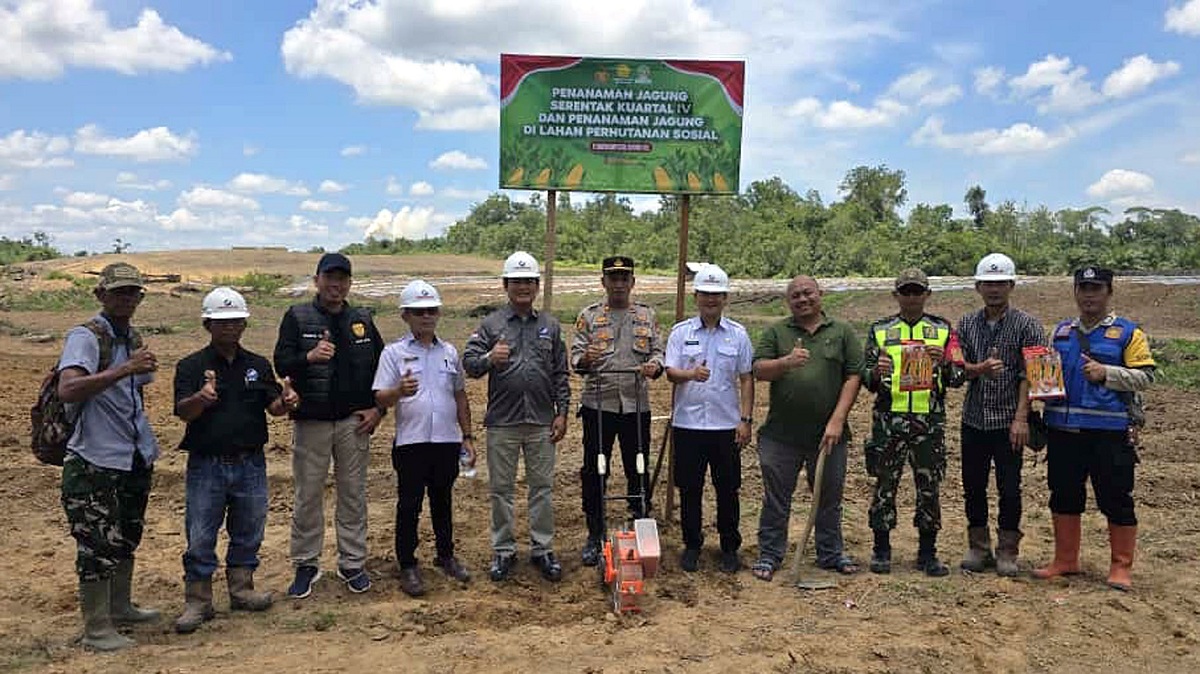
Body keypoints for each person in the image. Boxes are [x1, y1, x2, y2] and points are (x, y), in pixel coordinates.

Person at [172, 288, 298, 633]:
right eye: (222, 321)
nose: (230, 327)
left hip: (250, 463)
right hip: (207, 464)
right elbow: (183, 412)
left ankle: (242, 590)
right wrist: (201, 399)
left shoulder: (258, 365)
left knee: (249, 528)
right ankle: (198, 600)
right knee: (200, 534)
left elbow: (273, 407)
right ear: (207, 324)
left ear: (244, 324)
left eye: (236, 321)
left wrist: (287, 402)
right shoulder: (191, 366)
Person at [56, 262, 160, 651]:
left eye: (133, 292)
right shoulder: (86, 337)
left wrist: (135, 369)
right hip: (93, 457)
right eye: (119, 292)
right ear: (100, 294)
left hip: (132, 454)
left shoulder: (131, 337)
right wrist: (124, 368)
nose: (127, 299)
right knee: (96, 542)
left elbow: (134, 391)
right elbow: (69, 389)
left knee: (127, 534)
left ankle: (120, 607)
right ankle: (97, 629)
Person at [1034, 266, 1154, 591]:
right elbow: (1047, 373)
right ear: (1075, 292)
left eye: (1096, 288)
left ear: (1109, 292)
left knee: (1116, 497)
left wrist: (1108, 373)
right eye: (1083, 288)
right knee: (1063, 494)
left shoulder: (1128, 333)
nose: (1089, 295)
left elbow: (1146, 376)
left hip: (1109, 432)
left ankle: (1121, 567)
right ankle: (1065, 560)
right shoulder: (1061, 332)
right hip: (1063, 430)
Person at [274, 252, 386, 598]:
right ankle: (306, 563)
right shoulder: (296, 316)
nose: (335, 285)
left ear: (349, 283)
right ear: (317, 280)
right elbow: (281, 363)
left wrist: (378, 411)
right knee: (308, 495)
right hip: (312, 422)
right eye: (329, 278)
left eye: (342, 279)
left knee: (353, 495)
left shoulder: (362, 319)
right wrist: (308, 357)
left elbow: (383, 369)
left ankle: (352, 562)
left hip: (354, 423)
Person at [462, 251, 570, 582]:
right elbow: (469, 363)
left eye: (528, 282)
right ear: (505, 285)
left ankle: (542, 549)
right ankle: (503, 550)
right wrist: (489, 358)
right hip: (503, 422)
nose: (523, 287)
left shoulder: (550, 326)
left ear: (537, 286)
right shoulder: (491, 325)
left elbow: (560, 374)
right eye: (516, 282)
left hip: (540, 421)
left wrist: (562, 413)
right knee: (501, 490)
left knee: (542, 488)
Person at [751, 275, 863, 582]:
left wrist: (838, 419)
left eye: (807, 293)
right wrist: (785, 363)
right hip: (780, 436)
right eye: (796, 296)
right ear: (788, 301)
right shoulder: (777, 332)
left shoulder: (841, 332)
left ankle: (830, 553)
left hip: (828, 435)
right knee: (776, 498)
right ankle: (770, 554)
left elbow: (854, 375)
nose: (803, 299)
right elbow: (758, 369)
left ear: (820, 294)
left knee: (829, 497)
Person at [861, 269, 966, 576]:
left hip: (928, 423)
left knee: (929, 487)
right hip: (888, 421)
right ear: (896, 295)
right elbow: (865, 377)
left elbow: (958, 376)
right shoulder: (880, 330)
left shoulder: (943, 329)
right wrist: (877, 371)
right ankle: (881, 550)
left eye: (916, 291)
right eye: (905, 291)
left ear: (927, 294)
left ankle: (928, 553)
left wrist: (943, 362)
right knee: (884, 485)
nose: (911, 297)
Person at [374, 280, 474, 597]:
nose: (426, 317)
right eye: (419, 312)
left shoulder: (449, 352)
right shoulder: (393, 353)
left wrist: (467, 436)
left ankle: (446, 555)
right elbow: (380, 397)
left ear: (439, 313)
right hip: (411, 442)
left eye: (431, 310)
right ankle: (407, 564)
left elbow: (460, 396)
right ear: (405, 315)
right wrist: (398, 391)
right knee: (409, 505)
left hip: (446, 440)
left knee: (443, 501)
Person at [570, 255, 664, 567]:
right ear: (604, 282)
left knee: (638, 466)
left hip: (636, 405)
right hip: (599, 404)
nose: (619, 284)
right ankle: (595, 532)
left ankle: (640, 523)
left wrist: (655, 366)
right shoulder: (589, 316)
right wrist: (586, 359)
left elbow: (658, 351)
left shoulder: (647, 315)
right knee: (595, 470)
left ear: (633, 282)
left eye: (625, 278)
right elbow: (576, 358)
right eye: (614, 278)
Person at [956, 253, 1045, 576]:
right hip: (974, 419)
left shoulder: (1028, 325)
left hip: (1009, 421)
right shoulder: (966, 324)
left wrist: (1021, 418)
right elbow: (957, 369)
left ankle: (1008, 549)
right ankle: (978, 547)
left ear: (1011, 285)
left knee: (1009, 487)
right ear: (978, 287)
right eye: (988, 284)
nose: (994, 290)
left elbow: (1032, 374)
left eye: (1000, 283)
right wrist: (978, 369)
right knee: (973, 485)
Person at [663, 264, 753, 574]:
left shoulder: (738, 335)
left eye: (716, 295)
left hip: (725, 426)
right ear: (696, 297)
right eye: (705, 294)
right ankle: (692, 544)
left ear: (725, 298)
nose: (710, 300)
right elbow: (670, 372)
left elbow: (746, 378)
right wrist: (691, 374)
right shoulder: (681, 332)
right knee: (690, 489)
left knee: (727, 489)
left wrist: (746, 419)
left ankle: (729, 547)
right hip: (688, 424)